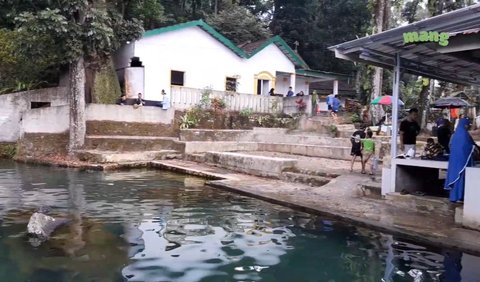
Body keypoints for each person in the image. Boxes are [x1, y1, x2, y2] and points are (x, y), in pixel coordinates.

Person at [445, 118, 479, 202]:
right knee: (461, 178)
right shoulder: (464, 135)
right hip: (462, 162)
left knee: (455, 177)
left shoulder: (455, 134)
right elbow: (469, 146)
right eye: (467, 125)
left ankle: (454, 197)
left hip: (454, 161)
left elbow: (451, 146)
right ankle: (460, 196)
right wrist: (474, 148)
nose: (468, 127)